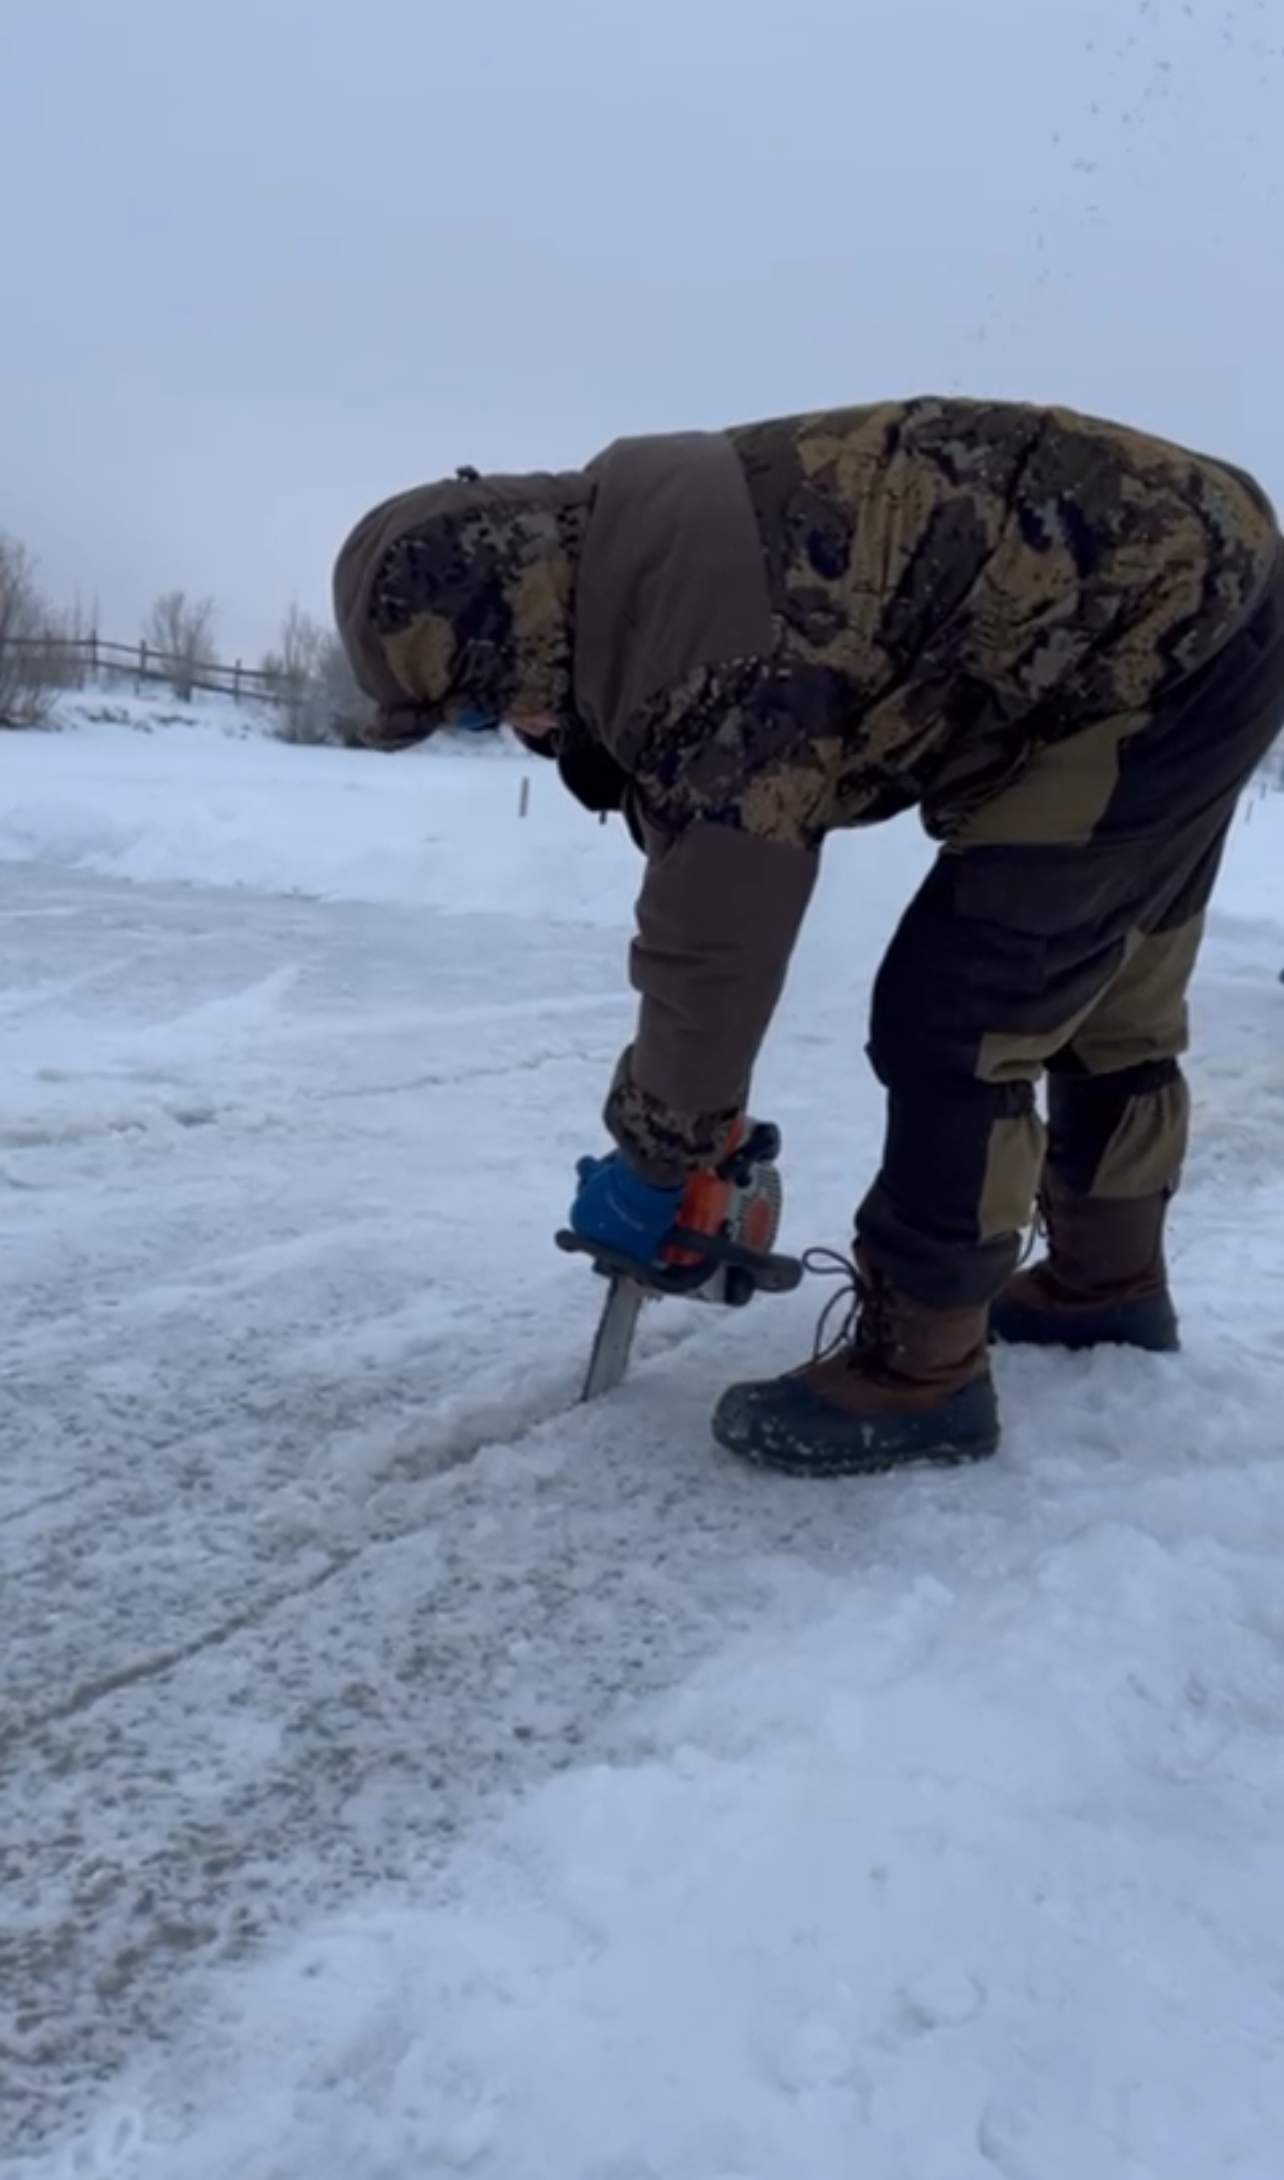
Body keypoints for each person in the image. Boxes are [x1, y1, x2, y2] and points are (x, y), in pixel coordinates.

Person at [332, 396, 1284, 1479]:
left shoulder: (703, 645)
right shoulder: (647, 549)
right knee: (1109, 985)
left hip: (1144, 638)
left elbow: (717, 938)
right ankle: (1104, 1288)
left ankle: (921, 1370)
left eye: (472, 708)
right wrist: (699, 1117)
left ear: (510, 624)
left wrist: (659, 1153)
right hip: (1208, 591)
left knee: (962, 1013)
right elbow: (713, 817)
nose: (513, 730)